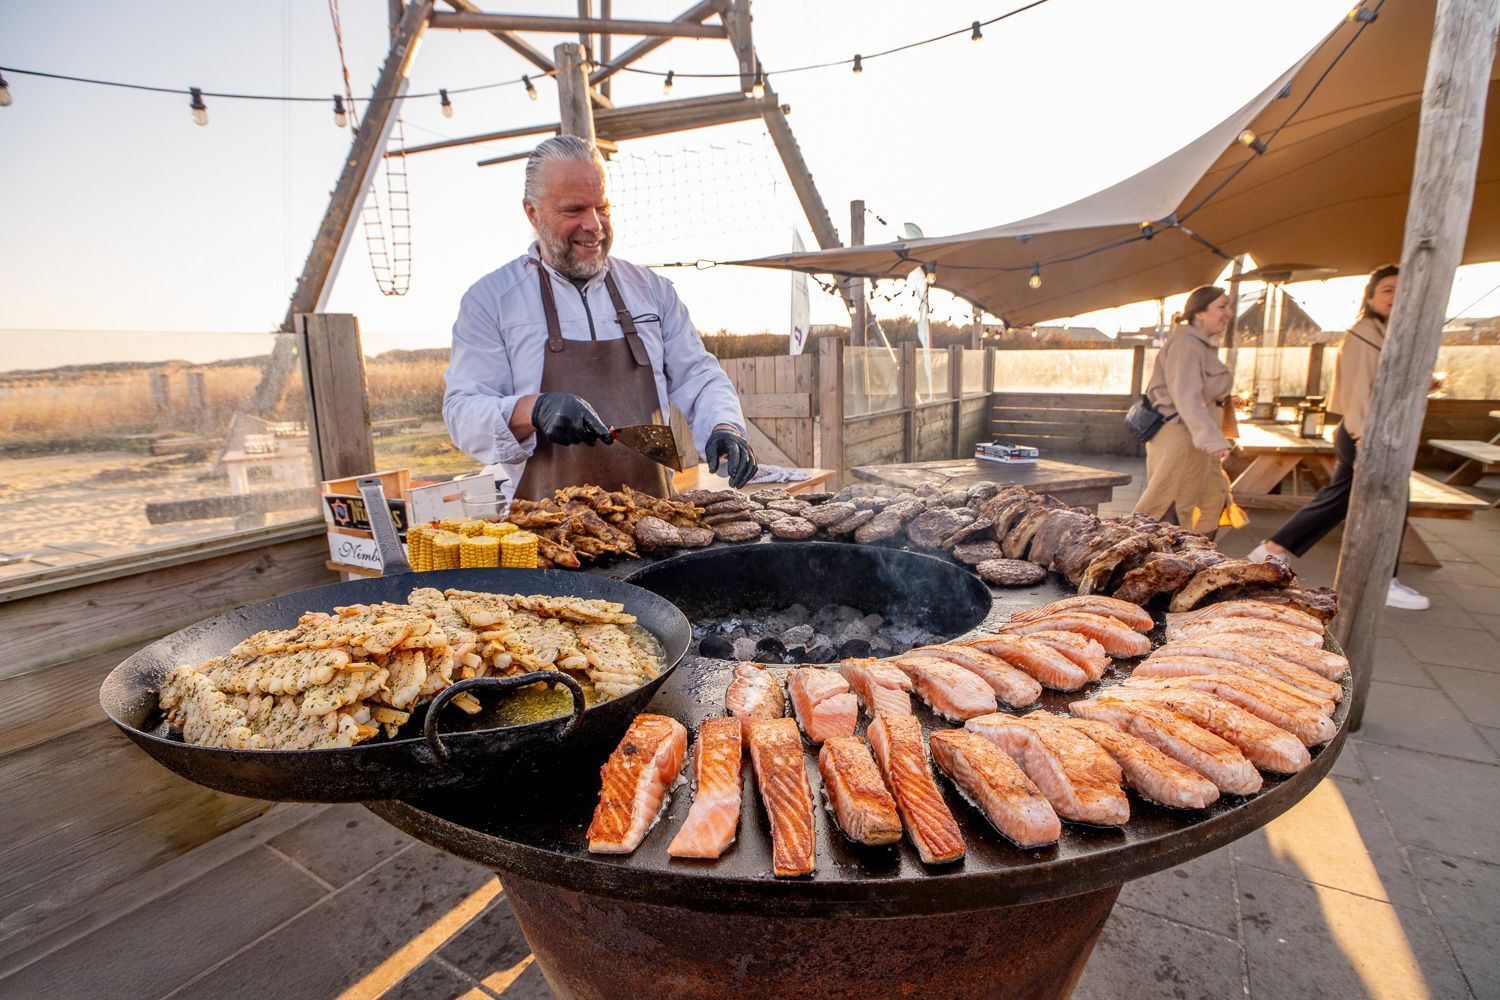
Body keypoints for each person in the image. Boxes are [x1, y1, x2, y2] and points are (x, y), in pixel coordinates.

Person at [443, 135, 755, 500]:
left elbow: (698, 376)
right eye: (574, 210)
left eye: (603, 207)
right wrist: (534, 409)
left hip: (656, 522)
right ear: (532, 212)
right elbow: (462, 412)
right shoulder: (491, 301)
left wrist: (724, 425)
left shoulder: (653, 291)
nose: (594, 224)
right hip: (551, 534)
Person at [1246, 265, 1428, 610]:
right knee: (1381, 505)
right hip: (1368, 435)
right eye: (1388, 289)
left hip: (1378, 435)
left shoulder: (1387, 334)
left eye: (1403, 289)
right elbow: (1359, 394)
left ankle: (1273, 550)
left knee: (1343, 503)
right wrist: (1366, 443)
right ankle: (1380, 580)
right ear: (1371, 296)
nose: (1396, 296)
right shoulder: (1364, 335)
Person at [1133, 285, 1237, 534]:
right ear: (1200, 313)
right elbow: (1186, 397)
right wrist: (1213, 440)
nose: (1229, 313)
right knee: (1168, 505)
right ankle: (1144, 562)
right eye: (1222, 306)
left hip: (1195, 435)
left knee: (1215, 497)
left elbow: (1197, 393)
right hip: (1180, 434)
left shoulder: (1197, 345)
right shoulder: (1186, 345)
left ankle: (1197, 558)